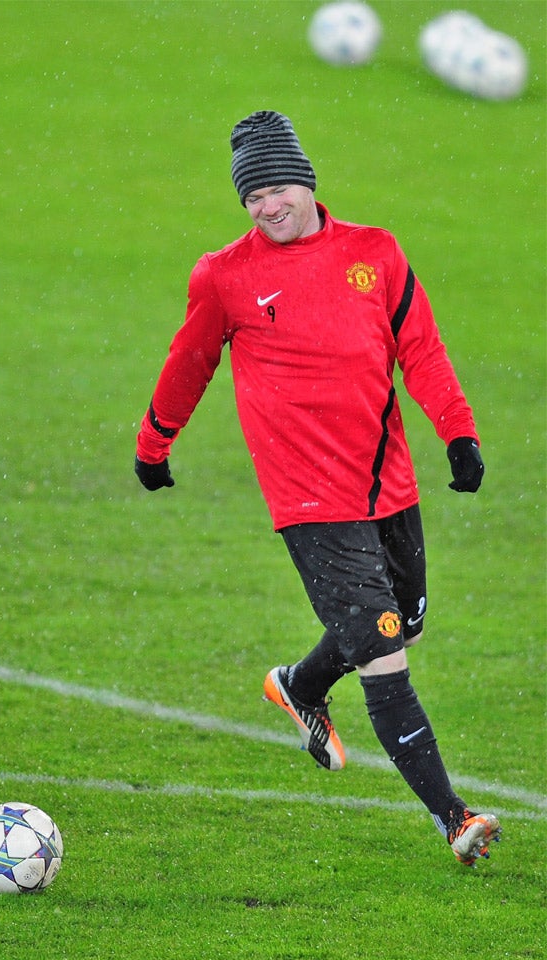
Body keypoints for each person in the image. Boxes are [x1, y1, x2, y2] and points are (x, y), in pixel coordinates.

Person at [134, 110, 502, 867]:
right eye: (251, 199)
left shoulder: (375, 254)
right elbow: (189, 360)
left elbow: (420, 350)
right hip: (308, 501)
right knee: (383, 651)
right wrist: (154, 442)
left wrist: (458, 434)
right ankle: (454, 818)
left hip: (387, 484)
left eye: (275, 190)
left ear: (306, 182)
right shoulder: (225, 275)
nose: (266, 207)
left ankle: (299, 686)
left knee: (408, 621)